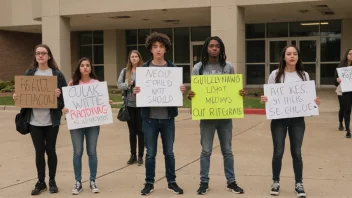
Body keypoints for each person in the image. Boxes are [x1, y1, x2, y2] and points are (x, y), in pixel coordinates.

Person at [186, 36, 245, 195]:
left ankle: (231, 182)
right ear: (206, 48)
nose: (214, 48)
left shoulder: (229, 67)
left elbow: (234, 90)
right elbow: (194, 93)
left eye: (217, 46)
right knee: (206, 150)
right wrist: (190, 95)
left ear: (221, 49)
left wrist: (239, 93)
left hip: (225, 117)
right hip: (207, 118)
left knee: (227, 150)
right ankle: (204, 182)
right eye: (211, 46)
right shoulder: (198, 68)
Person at [260, 45, 320, 197]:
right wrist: (264, 99)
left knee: (297, 153)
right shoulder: (275, 74)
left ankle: (299, 184)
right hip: (279, 120)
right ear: (284, 57)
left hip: (297, 120)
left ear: (298, 57)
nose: (292, 56)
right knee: (278, 152)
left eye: (294, 54)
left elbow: (308, 97)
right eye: (289, 54)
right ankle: (275, 182)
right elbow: (269, 96)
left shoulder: (304, 75)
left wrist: (314, 101)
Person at [133, 32, 185, 196]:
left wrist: (181, 90)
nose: (158, 50)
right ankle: (149, 183)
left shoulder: (173, 69)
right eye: (155, 47)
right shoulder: (144, 70)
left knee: (169, 152)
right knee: (150, 154)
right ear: (150, 49)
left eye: (161, 46)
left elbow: (177, 92)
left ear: (165, 49)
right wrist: (136, 91)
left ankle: (171, 182)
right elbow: (137, 91)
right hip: (149, 119)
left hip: (168, 118)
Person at [13, 44, 67, 195]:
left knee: (51, 150)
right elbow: (23, 96)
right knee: (39, 152)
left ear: (49, 56)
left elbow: (65, 99)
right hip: (34, 121)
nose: (40, 55)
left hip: (52, 121)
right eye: (38, 53)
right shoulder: (30, 73)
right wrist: (17, 97)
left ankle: (52, 180)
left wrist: (58, 97)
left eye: (44, 53)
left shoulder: (57, 74)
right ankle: (41, 181)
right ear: (35, 56)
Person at [62, 57, 112, 195]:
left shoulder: (96, 83)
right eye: (82, 65)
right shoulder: (72, 84)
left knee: (92, 152)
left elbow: (100, 101)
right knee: (77, 152)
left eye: (87, 65)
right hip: (76, 123)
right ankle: (78, 182)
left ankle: (92, 181)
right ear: (79, 68)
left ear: (91, 68)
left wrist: (106, 103)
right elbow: (67, 104)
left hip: (93, 123)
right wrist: (64, 109)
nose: (85, 67)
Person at [117, 50, 145, 165]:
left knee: (141, 131)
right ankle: (133, 155)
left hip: (141, 106)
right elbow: (119, 85)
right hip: (129, 105)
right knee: (132, 132)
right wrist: (128, 84)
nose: (134, 58)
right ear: (129, 58)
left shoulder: (144, 71)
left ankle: (140, 156)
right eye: (132, 57)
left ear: (139, 58)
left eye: (136, 56)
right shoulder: (125, 71)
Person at [335, 49, 352, 138]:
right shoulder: (341, 65)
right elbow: (335, 79)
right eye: (350, 54)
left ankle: (347, 129)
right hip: (342, 90)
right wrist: (338, 80)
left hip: (351, 90)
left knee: (348, 109)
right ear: (347, 55)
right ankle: (342, 123)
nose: (351, 55)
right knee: (344, 108)